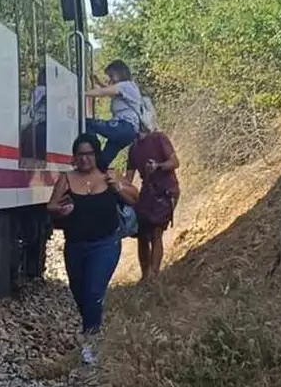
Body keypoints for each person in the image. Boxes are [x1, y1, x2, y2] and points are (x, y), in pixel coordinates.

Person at [46, 133, 140, 365]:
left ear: (96, 155)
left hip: (105, 244)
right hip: (76, 245)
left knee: (93, 291)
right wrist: (60, 210)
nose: (85, 159)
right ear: (74, 158)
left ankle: (91, 342)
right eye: (80, 155)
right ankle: (92, 322)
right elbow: (51, 205)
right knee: (80, 293)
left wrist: (117, 187)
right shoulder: (67, 179)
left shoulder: (109, 176)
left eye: (89, 154)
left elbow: (134, 198)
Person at [126, 127, 180, 281]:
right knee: (142, 234)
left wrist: (158, 166)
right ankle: (145, 277)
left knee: (156, 232)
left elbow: (175, 162)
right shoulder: (133, 148)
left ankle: (153, 276)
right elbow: (128, 179)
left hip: (166, 190)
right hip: (147, 193)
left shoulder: (159, 138)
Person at [85, 60, 143, 171]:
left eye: (111, 76)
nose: (110, 80)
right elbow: (107, 91)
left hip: (124, 126)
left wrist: (80, 94)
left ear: (119, 73)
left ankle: (92, 150)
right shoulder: (129, 87)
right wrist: (98, 82)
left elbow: (103, 92)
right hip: (128, 132)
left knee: (88, 123)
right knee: (101, 164)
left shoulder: (125, 85)